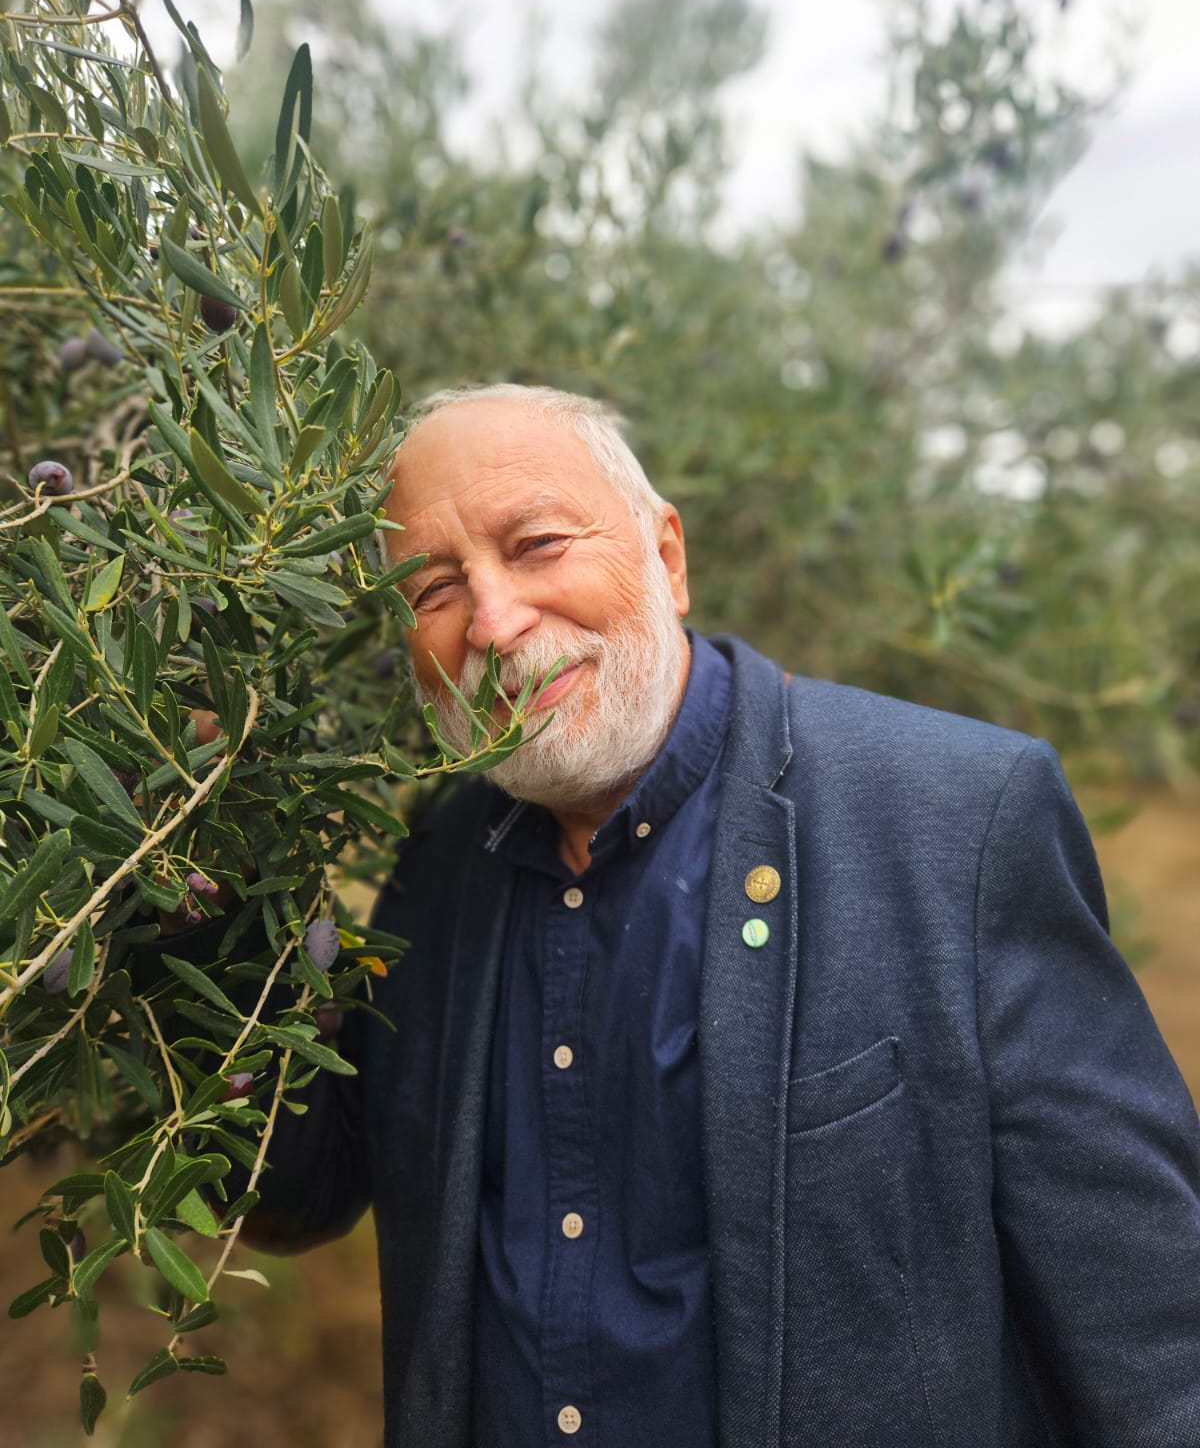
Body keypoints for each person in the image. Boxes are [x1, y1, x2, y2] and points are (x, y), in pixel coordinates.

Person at [243, 383, 1200, 1448]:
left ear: (668, 556)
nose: (495, 622)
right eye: (434, 589)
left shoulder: (958, 819)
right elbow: (306, 1195)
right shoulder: (436, 866)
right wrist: (214, 912)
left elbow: (1151, 1327)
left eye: (539, 545)